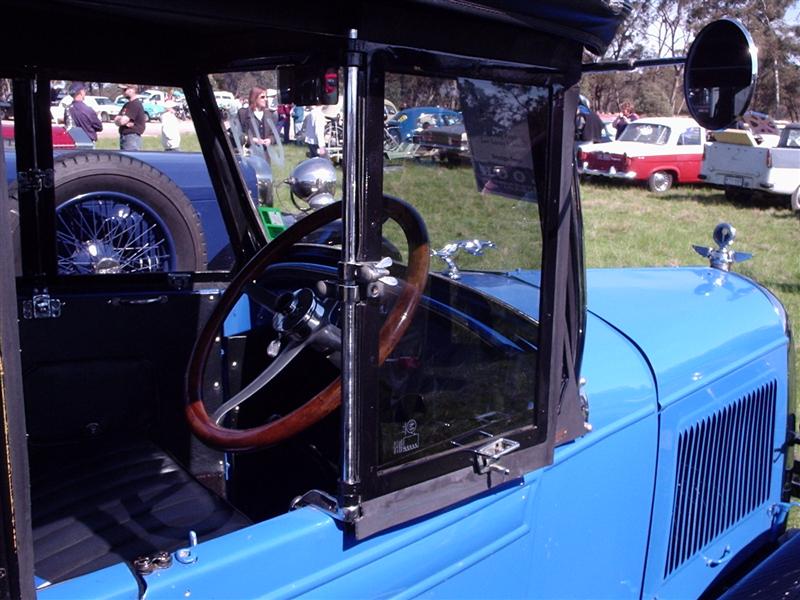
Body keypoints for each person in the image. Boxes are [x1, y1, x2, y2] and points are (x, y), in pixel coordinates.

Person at [237, 86, 278, 161]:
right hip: (249, 155)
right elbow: (238, 135)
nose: (266, 99)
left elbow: (274, 135)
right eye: (262, 97)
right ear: (254, 98)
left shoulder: (270, 115)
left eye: (266, 97)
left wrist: (270, 140)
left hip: (265, 156)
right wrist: (253, 140)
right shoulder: (242, 113)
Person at [114, 84, 147, 150]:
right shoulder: (127, 104)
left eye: (124, 89)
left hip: (132, 138)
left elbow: (123, 121)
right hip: (125, 137)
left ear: (132, 90)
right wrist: (121, 120)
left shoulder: (135, 104)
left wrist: (122, 121)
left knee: (129, 159)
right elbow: (116, 120)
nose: (122, 92)